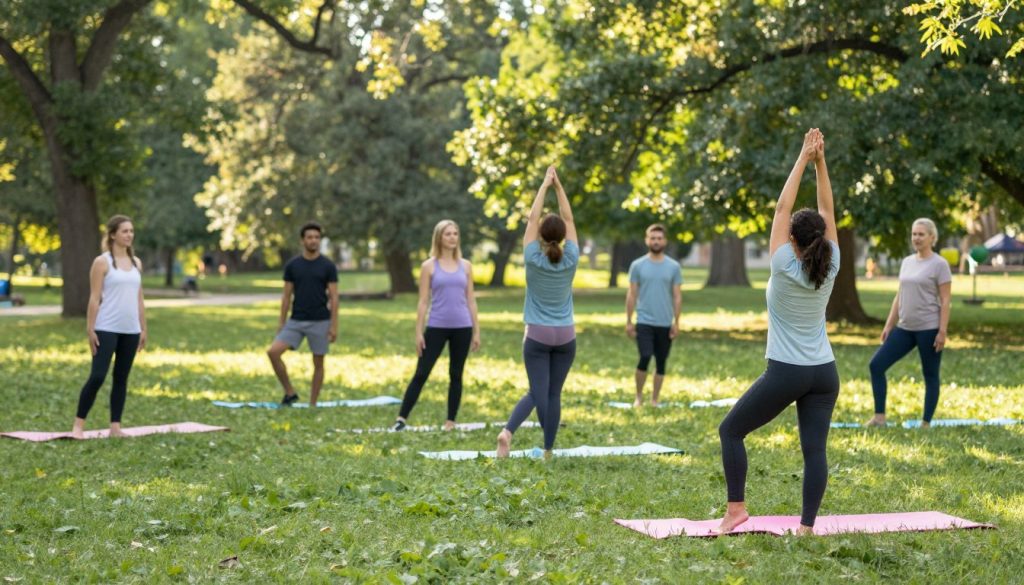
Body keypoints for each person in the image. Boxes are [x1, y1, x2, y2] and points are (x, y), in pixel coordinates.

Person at [716, 128, 840, 535]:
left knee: (730, 431)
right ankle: (806, 527)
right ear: (822, 237)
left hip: (787, 371)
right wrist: (821, 163)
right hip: (824, 372)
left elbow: (782, 207)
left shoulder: (783, 265)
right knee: (814, 451)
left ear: (791, 239)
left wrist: (804, 158)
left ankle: (736, 509)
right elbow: (827, 208)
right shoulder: (832, 262)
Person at [497, 165, 579, 459]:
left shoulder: (532, 257)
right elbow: (568, 218)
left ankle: (508, 432)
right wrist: (559, 186)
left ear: (541, 236)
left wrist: (545, 185)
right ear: (563, 236)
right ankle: (547, 450)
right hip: (565, 335)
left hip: (537, 334)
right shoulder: (571, 257)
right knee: (554, 394)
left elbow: (532, 218)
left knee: (536, 392)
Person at [390, 220, 481, 431]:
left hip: (462, 327)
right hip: (436, 326)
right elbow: (423, 301)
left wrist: (476, 331)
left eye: (455, 233)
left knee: (456, 374)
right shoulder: (429, 266)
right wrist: (418, 332)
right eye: (448, 234)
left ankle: (450, 421)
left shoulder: (466, 266)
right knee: (421, 373)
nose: (452, 237)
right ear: (439, 237)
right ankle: (401, 418)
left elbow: (471, 300)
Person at [866, 219, 952, 428]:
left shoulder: (940, 264)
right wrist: (889, 325)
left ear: (932, 237)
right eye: (914, 234)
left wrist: (942, 331)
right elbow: (900, 295)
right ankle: (879, 418)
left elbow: (945, 300)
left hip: (929, 328)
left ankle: (926, 422)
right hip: (904, 328)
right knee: (876, 365)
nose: (917, 238)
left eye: (921, 234)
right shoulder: (907, 262)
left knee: (930, 375)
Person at [72, 215, 147, 439]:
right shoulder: (101, 262)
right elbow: (94, 298)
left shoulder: (136, 263)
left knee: (121, 378)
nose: (129, 235)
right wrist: (90, 329)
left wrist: (143, 328)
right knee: (97, 376)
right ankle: (78, 426)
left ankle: (115, 427)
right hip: (106, 327)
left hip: (131, 330)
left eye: (131, 231)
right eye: (124, 231)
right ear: (113, 234)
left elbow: (139, 298)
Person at [267, 221, 339, 407]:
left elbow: (334, 297)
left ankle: (313, 404)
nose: (313, 240)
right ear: (302, 240)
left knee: (318, 363)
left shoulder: (328, 266)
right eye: (310, 237)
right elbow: (286, 296)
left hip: (320, 320)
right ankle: (290, 392)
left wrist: (333, 325)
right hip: (296, 320)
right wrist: (281, 322)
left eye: (317, 237)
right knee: (273, 352)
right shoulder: (293, 265)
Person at [626, 224, 683, 407]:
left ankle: (655, 400)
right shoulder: (637, 265)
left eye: (659, 238)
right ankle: (638, 397)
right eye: (653, 238)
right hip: (644, 321)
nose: (656, 241)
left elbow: (677, 296)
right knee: (645, 356)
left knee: (661, 361)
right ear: (647, 240)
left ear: (664, 241)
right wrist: (629, 321)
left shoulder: (673, 267)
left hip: (665, 322)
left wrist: (676, 322)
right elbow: (632, 294)